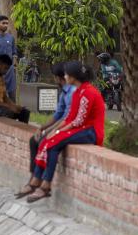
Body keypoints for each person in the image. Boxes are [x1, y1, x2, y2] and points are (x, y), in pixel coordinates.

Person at [24, 61, 105, 203]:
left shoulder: (88, 92)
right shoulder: (78, 92)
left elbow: (79, 120)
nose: (65, 76)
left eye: (67, 74)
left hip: (91, 131)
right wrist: (55, 129)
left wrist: (57, 132)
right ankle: (39, 181)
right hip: (81, 128)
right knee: (47, 141)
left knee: (52, 142)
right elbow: (68, 117)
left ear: (73, 76)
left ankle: (45, 185)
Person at [16, 62, 76, 197]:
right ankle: (33, 177)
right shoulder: (65, 92)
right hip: (63, 124)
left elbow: (67, 118)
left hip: (70, 126)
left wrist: (49, 132)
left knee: (45, 141)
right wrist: (41, 128)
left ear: (58, 77)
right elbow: (58, 115)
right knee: (34, 140)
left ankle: (40, 181)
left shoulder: (72, 92)